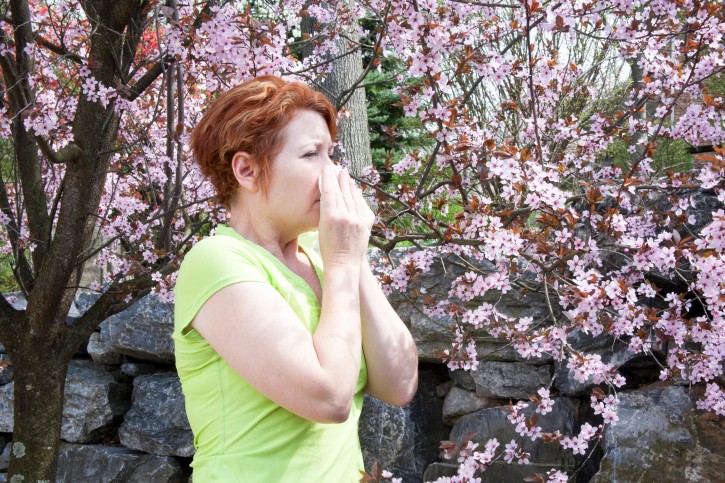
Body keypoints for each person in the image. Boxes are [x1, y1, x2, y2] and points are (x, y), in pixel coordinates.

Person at [173, 75, 418, 482]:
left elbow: (399, 384)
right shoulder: (216, 261)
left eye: (331, 154)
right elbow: (329, 397)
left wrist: (352, 260)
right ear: (248, 170)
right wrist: (342, 261)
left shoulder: (324, 254)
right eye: (311, 155)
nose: (334, 174)